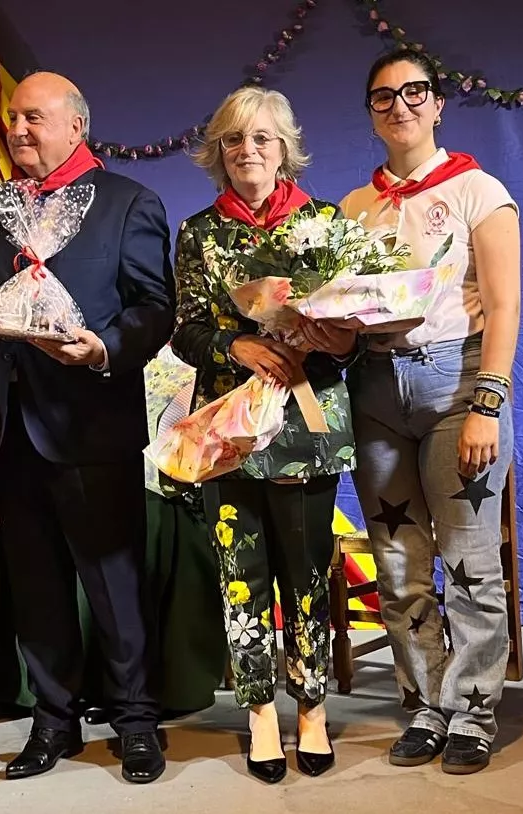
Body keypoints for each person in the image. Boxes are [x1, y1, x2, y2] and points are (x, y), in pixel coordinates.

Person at [0, 71, 173, 784]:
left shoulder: (128, 203)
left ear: (76, 125)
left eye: (33, 117)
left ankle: (136, 722)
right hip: (14, 428)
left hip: (93, 422)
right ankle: (53, 722)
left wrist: (105, 346)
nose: (18, 130)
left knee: (114, 581)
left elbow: (154, 307)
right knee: (36, 583)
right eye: (11, 119)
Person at [338, 50, 522, 775]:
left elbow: (504, 306)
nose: (400, 106)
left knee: (471, 559)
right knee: (398, 560)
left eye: (414, 92)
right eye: (384, 96)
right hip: (376, 390)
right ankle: (425, 704)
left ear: (438, 104)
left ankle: (473, 710)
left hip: (456, 386)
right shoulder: (355, 208)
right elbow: (348, 314)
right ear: (371, 112)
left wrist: (486, 404)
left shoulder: (481, 191)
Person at [171, 86, 357, 783]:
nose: (248, 151)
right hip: (230, 431)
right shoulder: (199, 232)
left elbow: (354, 340)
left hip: (308, 424)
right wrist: (235, 347)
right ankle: (258, 710)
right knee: (240, 574)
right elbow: (186, 330)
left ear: (285, 148)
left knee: (306, 572)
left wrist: (329, 335)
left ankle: (311, 704)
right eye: (234, 141)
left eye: (262, 139)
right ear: (218, 153)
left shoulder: (326, 222)